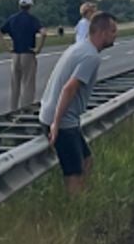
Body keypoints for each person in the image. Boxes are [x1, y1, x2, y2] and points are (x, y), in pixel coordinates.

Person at [39, 12, 119, 194]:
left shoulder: (79, 47)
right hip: (62, 121)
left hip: (58, 115)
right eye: (113, 31)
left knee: (87, 160)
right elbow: (69, 89)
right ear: (102, 32)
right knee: (74, 173)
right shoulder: (91, 57)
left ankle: (85, 197)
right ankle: (76, 205)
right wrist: (56, 124)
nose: (116, 35)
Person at [0, 0, 47, 110]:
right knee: (28, 84)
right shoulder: (32, 19)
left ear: (19, 6)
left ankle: (13, 111)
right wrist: (38, 48)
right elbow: (43, 33)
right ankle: (25, 111)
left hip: (15, 54)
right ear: (30, 6)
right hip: (28, 53)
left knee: (15, 85)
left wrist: (7, 48)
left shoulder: (12, 19)